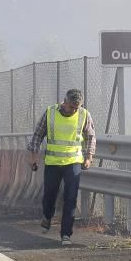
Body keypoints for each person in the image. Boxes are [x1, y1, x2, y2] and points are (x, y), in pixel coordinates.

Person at [27, 88, 96, 243]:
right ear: (64, 102)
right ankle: (47, 216)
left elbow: (90, 136)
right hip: (53, 162)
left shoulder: (84, 115)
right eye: (71, 107)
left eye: (76, 108)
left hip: (73, 162)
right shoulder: (50, 112)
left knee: (70, 197)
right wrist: (33, 156)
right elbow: (38, 134)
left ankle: (66, 234)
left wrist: (89, 157)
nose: (73, 110)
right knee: (50, 195)